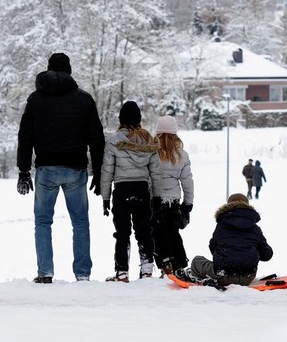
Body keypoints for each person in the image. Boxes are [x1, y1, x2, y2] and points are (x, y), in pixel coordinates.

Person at [16, 52, 105, 283]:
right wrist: (99, 169)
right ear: (69, 71)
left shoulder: (35, 99)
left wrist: (24, 170)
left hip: (46, 169)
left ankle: (45, 272)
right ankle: (82, 274)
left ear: (48, 70)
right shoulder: (84, 99)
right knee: (80, 221)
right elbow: (96, 137)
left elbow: (25, 136)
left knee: (43, 222)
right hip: (76, 169)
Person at [100, 101, 161, 282]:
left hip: (121, 191)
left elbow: (107, 171)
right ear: (139, 120)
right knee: (144, 231)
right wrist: (156, 196)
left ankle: (122, 272)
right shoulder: (149, 141)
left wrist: (105, 197)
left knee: (122, 233)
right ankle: (147, 270)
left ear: (121, 120)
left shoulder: (114, 141)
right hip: (142, 190)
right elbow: (156, 173)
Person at [180, 193, 273, 287]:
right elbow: (267, 255)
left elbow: (213, 247)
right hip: (247, 277)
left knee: (197, 260)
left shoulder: (221, 225)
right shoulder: (255, 228)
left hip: (222, 276)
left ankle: (198, 276)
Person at [150, 115, 194, 276]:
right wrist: (188, 204)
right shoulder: (181, 155)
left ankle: (165, 264)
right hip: (173, 202)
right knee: (173, 233)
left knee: (157, 234)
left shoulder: (151, 153)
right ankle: (179, 264)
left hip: (155, 200)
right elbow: (187, 182)